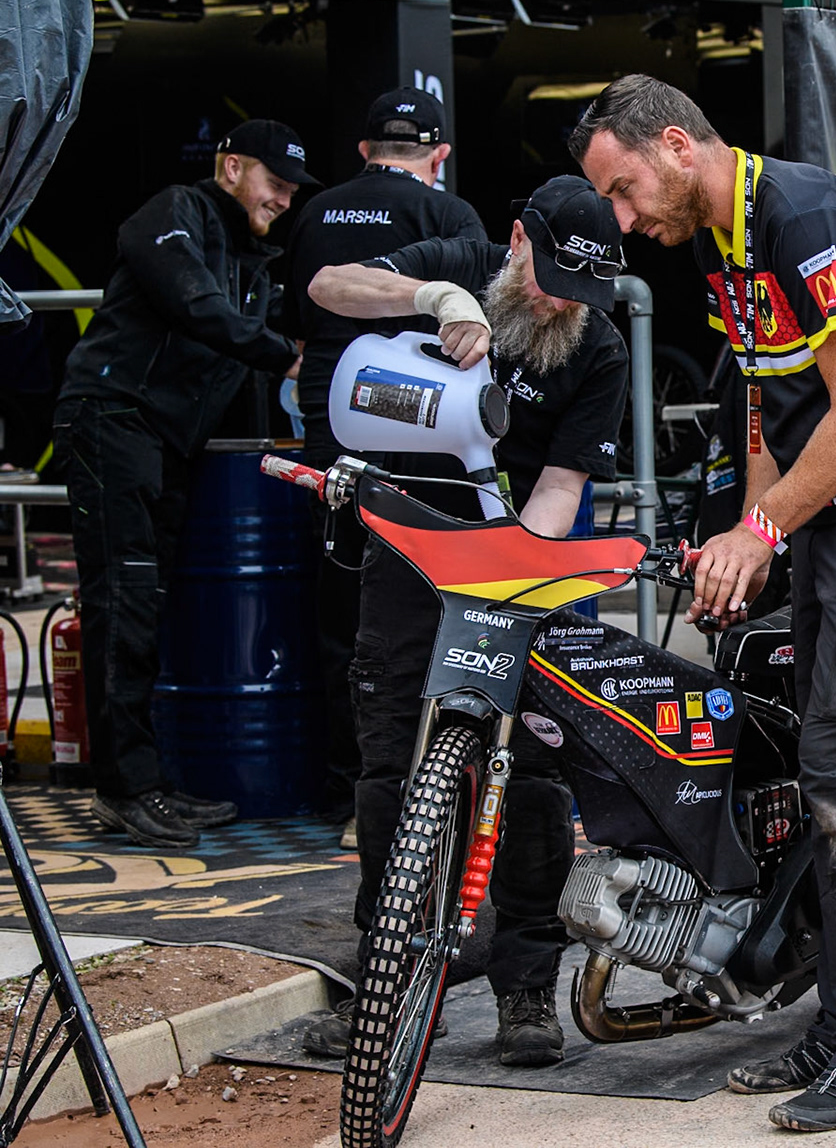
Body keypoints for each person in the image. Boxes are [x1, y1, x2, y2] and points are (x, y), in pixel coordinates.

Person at [572, 73, 836, 1133]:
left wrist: (761, 531)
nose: (620, 220)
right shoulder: (721, 235)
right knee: (827, 770)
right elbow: (766, 391)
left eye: (621, 189)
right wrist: (741, 536)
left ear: (674, 144)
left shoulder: (799, 214)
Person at [298, 176, 629, 1068]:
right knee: (388, 770)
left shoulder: (596, 346)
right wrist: (431, 298)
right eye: (554, 276)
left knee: (530, 776)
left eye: (585, 290)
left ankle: (525, 988)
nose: (566, 301)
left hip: (520, 564)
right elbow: (329, 287)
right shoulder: (458, 263)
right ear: (518, 240)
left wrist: (515, 576)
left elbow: (563, 488)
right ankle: (389, 983)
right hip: (409, 554)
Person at [52, 119, 315, 848]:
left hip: (164, 438)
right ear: (230, 166)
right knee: (124, 603)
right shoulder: (175, 211)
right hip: (114, 418)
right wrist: (282, 354)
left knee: (149, 608)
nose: (285, 200)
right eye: (275, 183)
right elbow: (194, 306)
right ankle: (126, 789)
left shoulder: (252, 254)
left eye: (294, 190)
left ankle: (147, 783)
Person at [282, 86, 486, 832]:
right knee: (426, 608)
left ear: (365, 150)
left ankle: (349, 793)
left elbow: (298, 324)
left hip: (328, 426)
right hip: (419, 437)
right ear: (440, 156)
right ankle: (435, 789)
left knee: (344, 608)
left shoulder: (314, 211)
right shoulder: (449, 217)